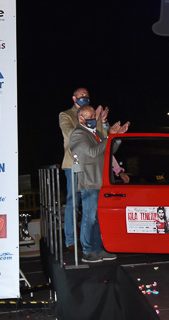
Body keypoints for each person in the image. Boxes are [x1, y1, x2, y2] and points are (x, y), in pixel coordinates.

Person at [59, 88, 129, 252]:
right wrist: (90, 120)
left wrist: (104, 123)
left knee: (93, 210)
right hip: (74, 164)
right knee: (73, 202)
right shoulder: (66, 115)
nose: (84, 97)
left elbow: (102, 140)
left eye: (87, 96)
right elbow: (73, 134)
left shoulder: (93, 116)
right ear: (74, 98)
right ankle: (71, 240)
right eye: (81, 96)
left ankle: (95, 246)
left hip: (94, 169)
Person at [70, 105, 126, 263]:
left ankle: (99, 249)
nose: (94, 119)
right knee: (89, 218)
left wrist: (116, 137)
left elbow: (110, 150)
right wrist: (109, 137)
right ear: (81, 118)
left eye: (94, 116)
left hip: (101, 182)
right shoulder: (78, 134)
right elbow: (93, 152)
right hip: (89, 181)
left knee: (98, 219)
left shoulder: (97, 133)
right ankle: (87, 251)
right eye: (90, 117)